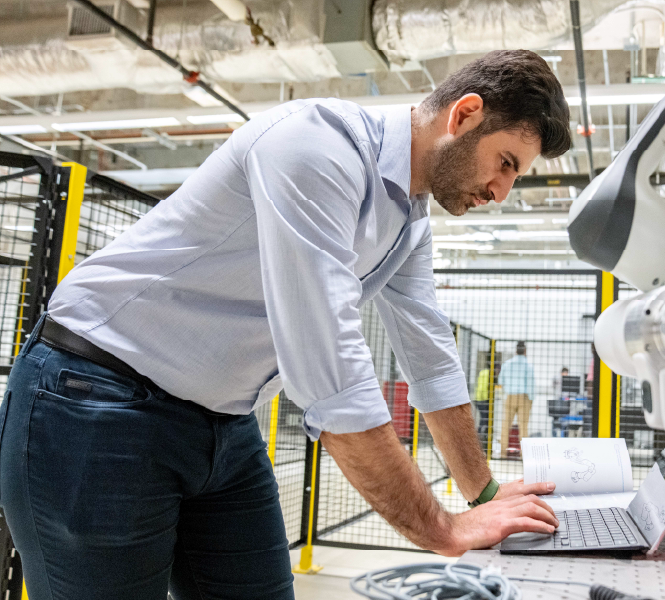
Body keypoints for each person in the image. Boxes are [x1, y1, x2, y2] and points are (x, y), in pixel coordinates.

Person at [0, 50, 571, 600]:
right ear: (465, 114)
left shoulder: (408, 220)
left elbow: (432, 361)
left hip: (221, 421)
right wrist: (443, 531)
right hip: (93, 397)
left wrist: (484, 495)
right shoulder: (316, 147)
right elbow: (333, 377)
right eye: (506, 163)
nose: (501, 192)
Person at [497, 341, 535, 458]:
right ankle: (524, 456)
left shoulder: (507, 364)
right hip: (524, 397)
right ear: (525, 351)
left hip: (509, 396)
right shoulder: (528, 366)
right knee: (523, 426)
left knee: (505, 425)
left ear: (515, 350)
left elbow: (500, 382)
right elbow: (531, 385)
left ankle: (503, 454)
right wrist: (531, 400)